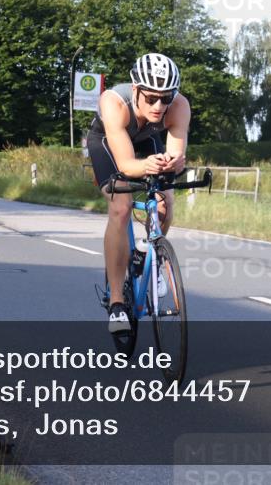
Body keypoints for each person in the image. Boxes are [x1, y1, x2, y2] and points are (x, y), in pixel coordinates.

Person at [85, 53, 191, 335]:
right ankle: (118, 302)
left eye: (166, 98)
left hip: (147, 140)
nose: (159, 106)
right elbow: (126, 165)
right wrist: (145, 166)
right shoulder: (114, 103)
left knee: (165, 200)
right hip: (110, 142)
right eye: (152, 98)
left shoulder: (178, 106)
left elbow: (176, 152)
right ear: (136, 91)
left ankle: (150, 256)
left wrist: (174, 162)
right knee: (121, 205)